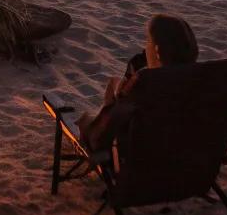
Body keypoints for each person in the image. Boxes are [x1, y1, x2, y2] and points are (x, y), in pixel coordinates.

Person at [78, 13, 199, 153]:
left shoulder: (143, 87)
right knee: (115, 83)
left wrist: (87, 124)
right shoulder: (205, 85)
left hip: (142, 160)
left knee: (86, 120)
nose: (145, 49)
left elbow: (100, 138)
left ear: (157, 51)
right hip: (192, 159)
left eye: (148, 41)